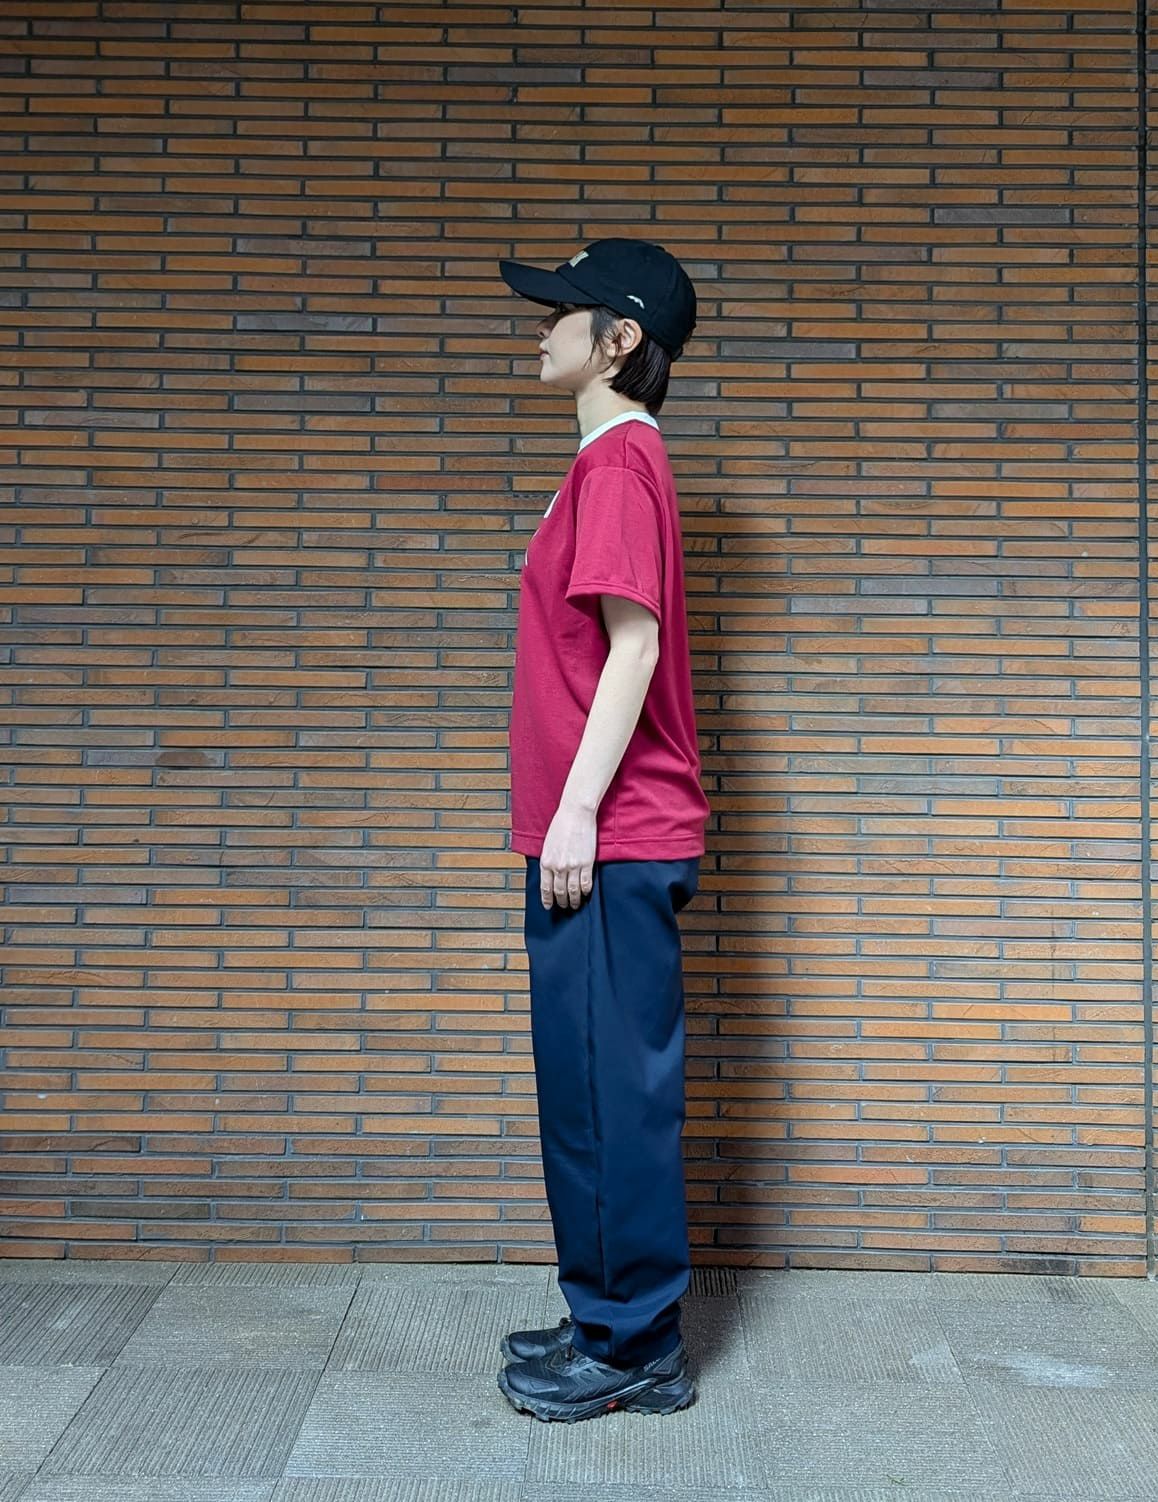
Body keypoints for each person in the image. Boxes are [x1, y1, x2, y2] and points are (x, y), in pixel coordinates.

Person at [493, 238, 711, 1423]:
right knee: (582, 1088)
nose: (540, 330)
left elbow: (635, 645)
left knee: (612, 1094)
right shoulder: (604, 463)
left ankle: (635, 1344)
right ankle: (604, 1316)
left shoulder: (621, 461)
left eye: (560, 313)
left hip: (612, 833)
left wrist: (578, 809)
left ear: (618, 339)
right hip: (591, 831)